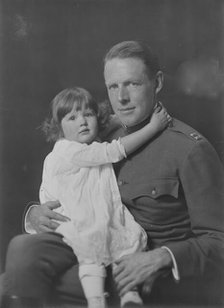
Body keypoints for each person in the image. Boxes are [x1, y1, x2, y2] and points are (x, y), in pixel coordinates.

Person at [2, 40, 224, 308]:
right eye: (113, 87)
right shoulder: (101, 135)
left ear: (158, 83)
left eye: (133, 84)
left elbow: (218, 240)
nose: (121, 98)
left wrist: (163, 256)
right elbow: (67, 180)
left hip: (139, 270)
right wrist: (35, 214)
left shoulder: (190, 149)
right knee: (22, 250)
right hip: (88, 243)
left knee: (13, 285)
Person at [39, 86, 169, 308]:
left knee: (129, 239)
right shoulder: (68, 150)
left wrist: (122, 116)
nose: (82, 122)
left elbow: (105, 122)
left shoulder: (85, 141)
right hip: (78, 216)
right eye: (72, 117)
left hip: (100, 209)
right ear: (59, 129)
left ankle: (129, 292)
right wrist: (152, 127)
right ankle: (96, 300)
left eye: (88, 114)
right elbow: (113, 151)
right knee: (92, 249)